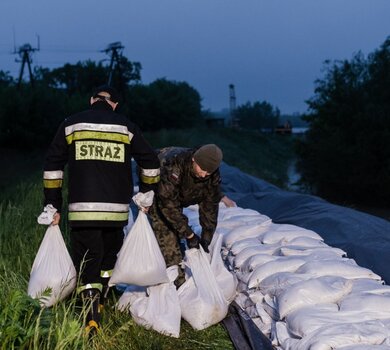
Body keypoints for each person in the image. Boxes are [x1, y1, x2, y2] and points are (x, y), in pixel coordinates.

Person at [41, 85, 160, 334]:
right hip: (116, 212)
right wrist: (146, 195)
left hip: (82, 212)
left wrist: (52, 204)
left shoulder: (71, 124)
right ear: (114, 104)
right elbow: (150, 161)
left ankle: (91, 316)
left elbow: (53, 165)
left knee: (88, 262)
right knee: (107, 259)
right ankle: (103, 299)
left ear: (91, 100)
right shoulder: (126, 126)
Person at [148, 144, 231, 288]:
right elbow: (167, 205)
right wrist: (189, 235)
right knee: (166, 234)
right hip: (157, 189)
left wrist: (206, 236)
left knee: (179, 227)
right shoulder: (173, 166)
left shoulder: (211, 175)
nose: (204, 174)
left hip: (178, 196)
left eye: (209, 172)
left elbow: (209, 206)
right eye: (202, 169)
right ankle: (178, 285)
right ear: (194, 160)